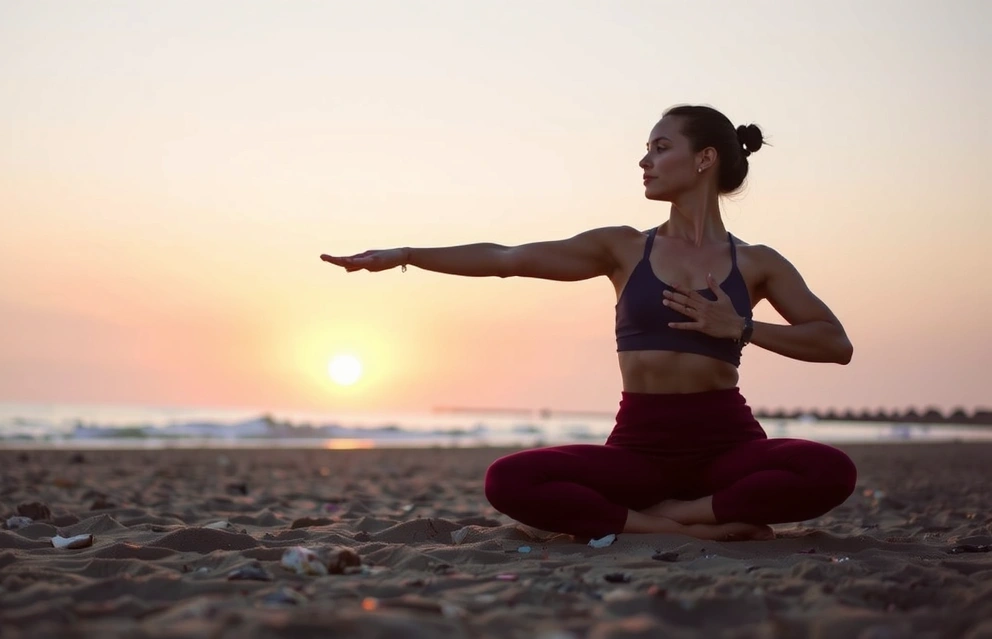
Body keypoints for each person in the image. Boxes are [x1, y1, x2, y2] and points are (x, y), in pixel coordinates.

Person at [320, 105, 857, 542]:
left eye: (660, 147)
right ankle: (681, 525)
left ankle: (688, 514)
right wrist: (409, 253)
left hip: (728, 443)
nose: (644, 161)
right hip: (639, 450)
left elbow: (835, 343)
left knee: (830, 470)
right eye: (645, 149)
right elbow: (508, 258)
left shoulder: (758, 262)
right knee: (508, 479)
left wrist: (740, 326)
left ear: (705, 159)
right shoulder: (623, 248)